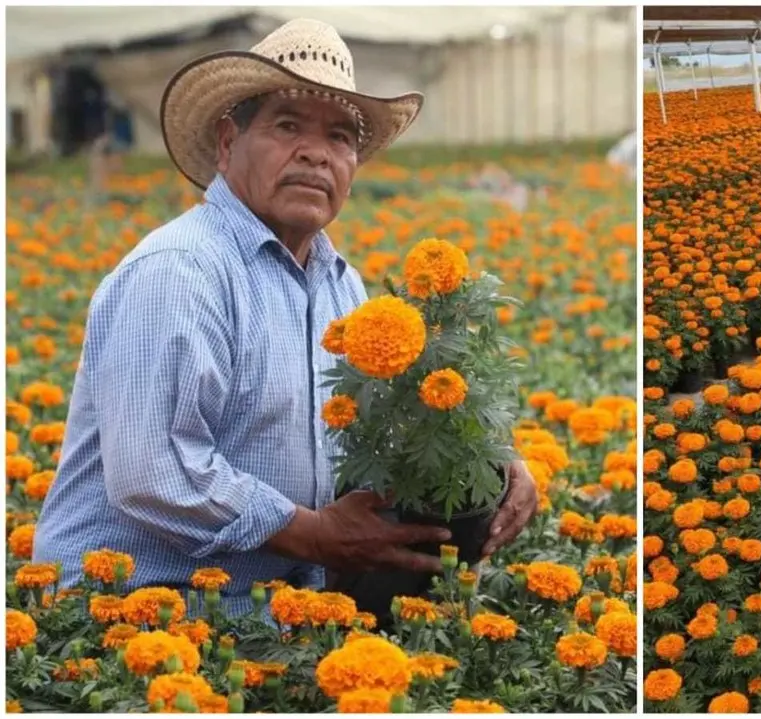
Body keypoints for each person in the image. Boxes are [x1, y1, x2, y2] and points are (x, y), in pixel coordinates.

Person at [33, 19, 539, 616]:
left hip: (284, 610)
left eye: (340, 137)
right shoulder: (180, 272)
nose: (315, 153)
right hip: (137, 614)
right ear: (228, 142)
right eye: (288, 125)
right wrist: (315, 534)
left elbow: (393, 421)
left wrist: (490, 457)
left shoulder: (340, 284)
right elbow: (156, 472)